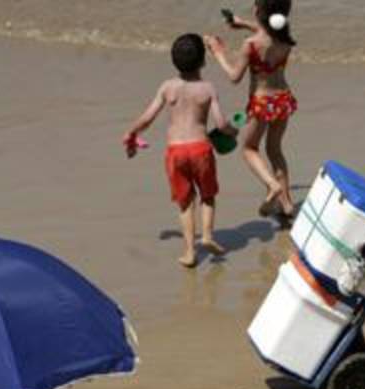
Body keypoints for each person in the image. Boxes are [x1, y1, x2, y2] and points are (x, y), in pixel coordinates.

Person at [123, 33, 237, 268]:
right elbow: (221, 122)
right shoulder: (207, 89)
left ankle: (189, 252)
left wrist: (131, 133)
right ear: (204, 61)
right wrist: (231, 131)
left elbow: (148, 117)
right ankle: (206, 235)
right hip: (201, 149)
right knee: (208, 195)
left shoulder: (168, 87)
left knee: (185, 202)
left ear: (174, 61)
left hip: (176, 152)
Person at [205, 0, 298, 221]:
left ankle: (272, 186)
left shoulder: (251, 45)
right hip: (283, 99)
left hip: (262, 102)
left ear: (258, 10)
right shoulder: (285, 37)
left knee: (249, 148)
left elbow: (234, 77)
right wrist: (243, 24)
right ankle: (287, 206)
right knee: (275, 151)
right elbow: (266, 29)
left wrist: (218, 52)